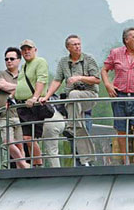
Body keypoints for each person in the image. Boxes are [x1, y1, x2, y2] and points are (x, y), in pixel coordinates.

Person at [41, 34, 100, 166]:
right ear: (68, 47)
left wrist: (79, 78)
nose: (78, 46)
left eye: (79, 44)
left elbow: (97, 79)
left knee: (73, 95)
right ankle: (87, 159)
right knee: (79, 126)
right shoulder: (63, 62)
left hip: (89, 95)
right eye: (74, 44)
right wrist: (46, 96)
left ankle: (70, 125)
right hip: (73, 102)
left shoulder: (89, 59)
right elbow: (57, 80)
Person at [101, 27, 134, 165]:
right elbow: (104, 70)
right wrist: (108, 85)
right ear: (126, 40)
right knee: (121, 129)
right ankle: (125, 158)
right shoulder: (115, 53)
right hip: (120, 96)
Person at [0, 47, 29, 169]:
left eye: (12, 58)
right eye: (6, 59)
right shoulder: (0, 74)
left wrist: (18, 87)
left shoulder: (24, 74)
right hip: (5, 116)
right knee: (8, 142)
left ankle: (20, 168)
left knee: (20, 144)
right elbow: (1, 85)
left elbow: (30, 89)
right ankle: (23, 164)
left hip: (20, 115)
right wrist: (20, 88)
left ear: (19, 60)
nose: (9, 61)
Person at [12, 39, 49, 167]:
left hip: (34, 106)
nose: (26, 51)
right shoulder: (24, 66)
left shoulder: (40, 62)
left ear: (35, 50)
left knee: (30, 137)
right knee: (27, 138)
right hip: (23, 106)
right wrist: (12, 97)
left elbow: (41, 79)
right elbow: (20, 84)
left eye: (29, 49)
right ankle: (36, 163)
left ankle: (38, 164)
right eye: (24, 49)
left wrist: (35, 97)